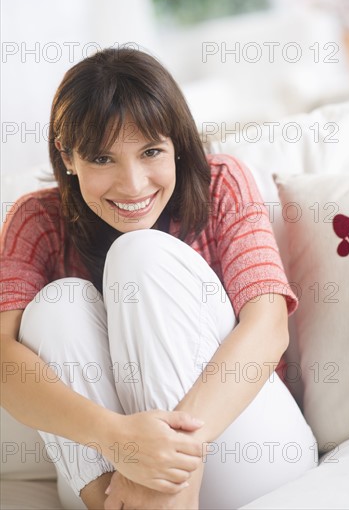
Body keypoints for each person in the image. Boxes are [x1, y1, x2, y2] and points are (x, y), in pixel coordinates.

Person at [0, 47, 317, 510]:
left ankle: (164, 500)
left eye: (151, 152)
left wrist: (165, 457)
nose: (132, 185)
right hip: (108, 477)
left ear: (178, 146)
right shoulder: (37, 220)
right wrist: (121, 442)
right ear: (68, 158)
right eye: (102, 159)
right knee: (56, 306)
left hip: (244, 448)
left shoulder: (221, 182)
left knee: (139, 254)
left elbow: (267, 326)